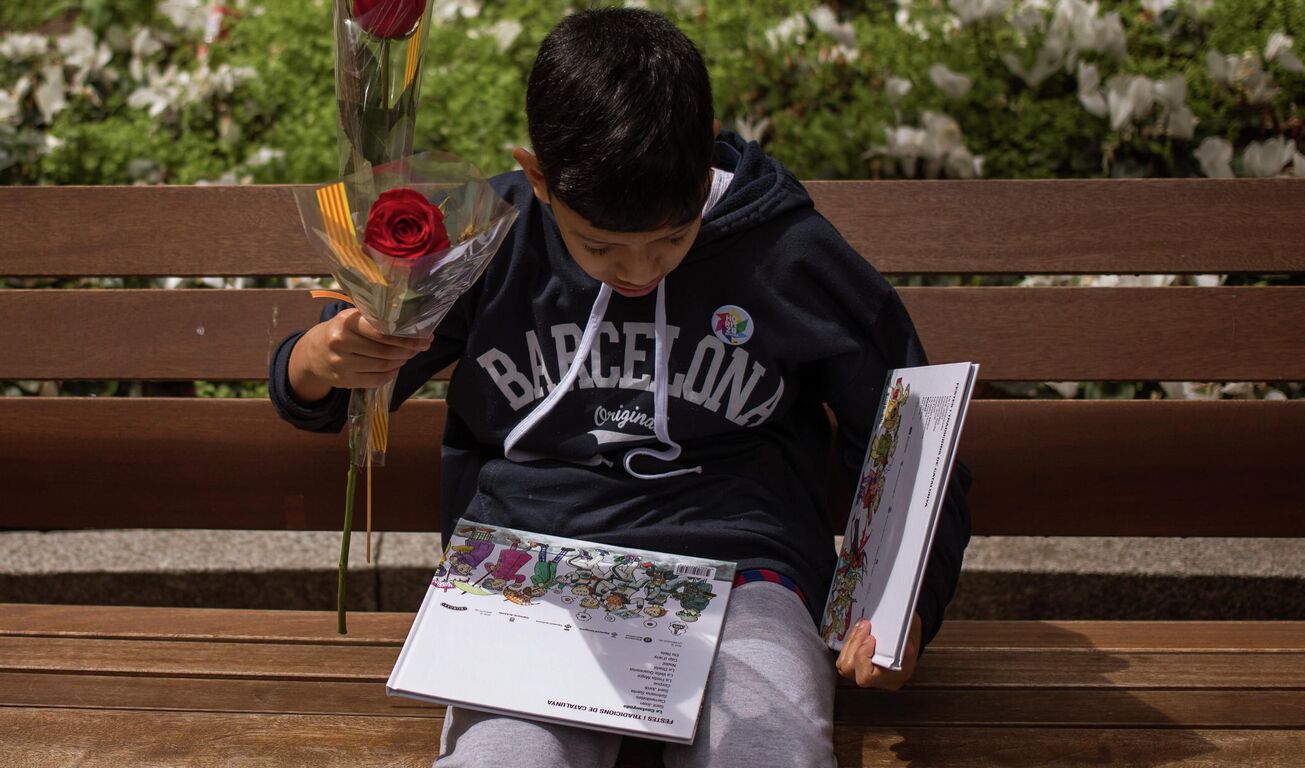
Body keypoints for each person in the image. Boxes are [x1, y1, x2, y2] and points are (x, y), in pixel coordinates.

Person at [267, 8, 970, 767]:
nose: (641, 272)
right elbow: (340, 392)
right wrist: (321, 359)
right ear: (538, 177)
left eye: (673, 237)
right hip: (534, 574)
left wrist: (900, 608)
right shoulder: (486, 238)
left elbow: (910, 434)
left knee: (767, 747)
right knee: (509, 756)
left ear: (703, 169)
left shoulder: (787, 252)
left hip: (741, 576)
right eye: (601, 245)